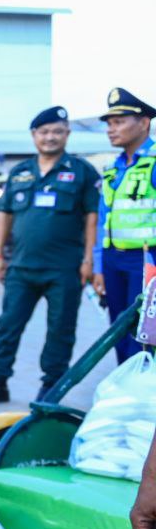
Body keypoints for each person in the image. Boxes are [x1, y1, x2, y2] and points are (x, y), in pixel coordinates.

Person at [0, 107, 99, 405]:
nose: (50, 137)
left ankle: (51, 387)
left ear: (67, 134)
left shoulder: (82, 172)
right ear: (34, 135)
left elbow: (92, 218)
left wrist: (89, 260)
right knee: (8, 326)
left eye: (57, 131)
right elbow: (4, 215)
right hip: (22, 267)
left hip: (64, 268)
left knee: (60, 330)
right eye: (44, 132)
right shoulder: (20, 172)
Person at [93, 87, 156, 363]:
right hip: (113, 259)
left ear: (144, 123)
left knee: (143, 334)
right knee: (118, 330)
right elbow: (102, 219)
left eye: (119, 122)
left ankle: (143, 386)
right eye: (109, 123)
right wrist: (98, 266)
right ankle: (125, 383)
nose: (111, 129)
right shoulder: (113, 168)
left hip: (147, 258)